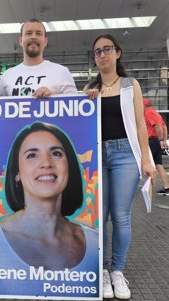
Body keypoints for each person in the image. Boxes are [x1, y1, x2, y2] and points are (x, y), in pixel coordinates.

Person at [0, 121, 99, 296]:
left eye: (56, 153)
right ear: (16, 173)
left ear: (69, 166)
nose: (46, 163)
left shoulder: (94, 243)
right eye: (32, 155)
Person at [86, 34, 156, 299]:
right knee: (100, 217)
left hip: (126, 154)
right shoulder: (90, 89)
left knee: (121, 215)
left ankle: (117, 270)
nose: (102, 54)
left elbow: (140, 125)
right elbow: (79, 121)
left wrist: (146, 159)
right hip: (98, 156)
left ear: (117, 53)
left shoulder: (131, 85)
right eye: (97, 51)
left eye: (107, 49)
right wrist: (87, 102)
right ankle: (102, 271)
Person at [0, 18, 78, 98]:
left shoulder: (62, 72)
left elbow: (75, 105)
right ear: (20, 40)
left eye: (38, 33)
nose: (33, 37)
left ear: (45, 41)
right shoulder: (7, 76)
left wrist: (53, 97)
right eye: (28, 33)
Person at [143, 98, 169, 195]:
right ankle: (167, 187)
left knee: (145, 162)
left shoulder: (148, 112)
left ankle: (147, 186)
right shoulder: (156, 113)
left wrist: (161, 140)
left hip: (152, 141)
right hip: (156, 141)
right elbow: (164, 127)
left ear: (143, 106)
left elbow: (158, 126)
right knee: (158, 165)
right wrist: (163, 140)